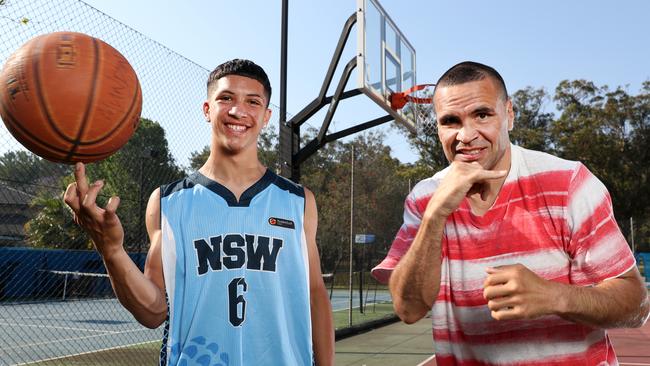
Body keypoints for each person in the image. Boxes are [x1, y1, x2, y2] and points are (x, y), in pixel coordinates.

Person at [371, 61, 649, 365]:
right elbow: (408, 309)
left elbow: (636, 304)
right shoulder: (424, 198)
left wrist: (555, 296)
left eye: (482, 114)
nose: (466, 134)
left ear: (509, 115)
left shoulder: (568, 183)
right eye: (450, 121)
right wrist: (434, 216)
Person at [64, 59, 334, 366]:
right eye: (226, 98)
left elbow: (314, 294)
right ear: (207, 109)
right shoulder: (168, 201)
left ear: (266, 116)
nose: (238, 111)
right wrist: (110, 249)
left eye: (253, 102)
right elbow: (152, 313)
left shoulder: (297, 200)